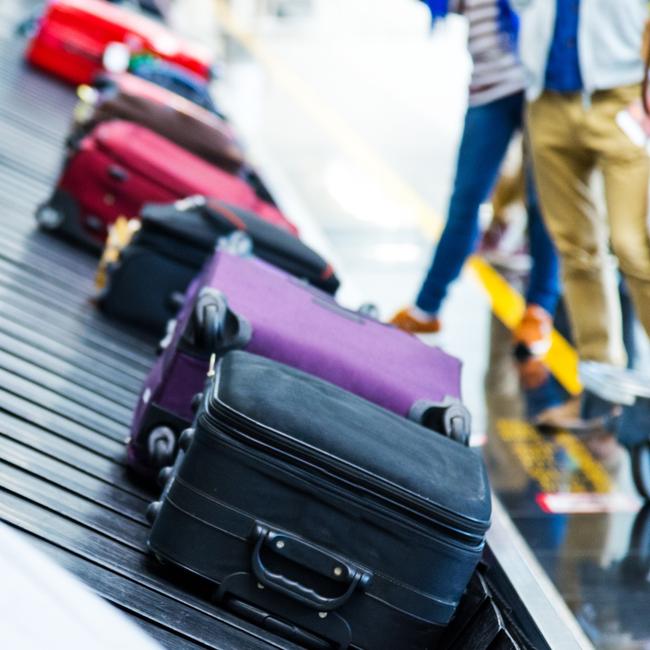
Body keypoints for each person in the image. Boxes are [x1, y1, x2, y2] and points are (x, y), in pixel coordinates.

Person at [391, 0, 561, 371]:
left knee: (545, 201)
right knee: (465, 201)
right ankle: (426, 307)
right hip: (488, 85)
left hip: (541, 80)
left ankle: (539, 310)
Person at [513, 0, 650, 381]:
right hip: (548, 98)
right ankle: (602, 392)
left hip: (624, 96)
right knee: (577, 251)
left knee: (635, 245)